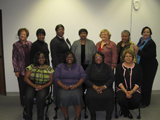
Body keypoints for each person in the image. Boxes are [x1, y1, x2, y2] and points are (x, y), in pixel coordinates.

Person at [53, 51, 86, 120]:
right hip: (62, 87)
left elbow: (83, 77)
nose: (69, 58)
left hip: (76, 87)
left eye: (71, 57)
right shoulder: (60, 66)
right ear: (64, 58)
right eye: (67, 57)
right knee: (62, 97)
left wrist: (76, 85)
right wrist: (63, 86)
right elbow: (55, 78)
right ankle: (66, 116)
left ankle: (77, 117)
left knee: (77, 96)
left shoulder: (78, 66)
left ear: (73, 58)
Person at [133, 26, 158, 108]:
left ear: (150, 33)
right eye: (144, 32)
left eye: (147, 32)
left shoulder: (151, 43)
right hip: (142, 65)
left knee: (147, 84)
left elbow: (151, 55)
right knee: (142, 83)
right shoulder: (141, 40)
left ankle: (146, 102)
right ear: (142, 33)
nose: (146, 33)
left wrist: (138, 51)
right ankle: (141, 99)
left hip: (150, 66)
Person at [85, 51, 115, 120]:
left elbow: (112, 78)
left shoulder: (107, 67)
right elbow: (85, 79)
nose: (98, 58)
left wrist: (104, 87)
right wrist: (94, 86)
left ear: (102, 58)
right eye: (96, 57)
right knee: (89, 97)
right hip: (93, 86)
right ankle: (93, 115)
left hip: (105, 86)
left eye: (100, 57)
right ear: (94, 58)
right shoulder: (90, 67)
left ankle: (108, 115)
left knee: (110, 97)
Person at [24, 52, 54, 120]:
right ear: (36, 59)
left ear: (45, 58)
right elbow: (25, 78)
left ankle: (40, 117)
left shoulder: (49, 68)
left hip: (44, 86)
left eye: (42, 57)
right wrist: (35, 86)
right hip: (31, 85)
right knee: (28, 97)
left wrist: (42, 87)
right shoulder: (31, 66)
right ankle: (28, 116)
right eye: (39, 58)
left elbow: (51, 81)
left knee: (41, 98)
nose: (41, 59)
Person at [115, 50, 143, 119]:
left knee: (136, 101)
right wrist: (125, 91)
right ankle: (126, 112)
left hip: (134, 89)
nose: (128, 58)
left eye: (130, 56)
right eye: (126, 56)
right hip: (122, 89)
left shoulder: (138, 67)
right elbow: (117, 80)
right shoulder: (119, 67)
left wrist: (132, 91)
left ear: (133, 57)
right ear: (123, 57)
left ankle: (124, 108)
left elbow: (140, 80)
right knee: (121, 99)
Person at [12, 28, 32, 106]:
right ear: (19, 35)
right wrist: (16, 70)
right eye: (21, 34)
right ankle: (23, 102)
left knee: (29, 86)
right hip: (20, 69)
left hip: (30, 69)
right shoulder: (16, 45)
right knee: (22, 86)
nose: (22, 35)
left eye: (24, 34)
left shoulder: (30, 43)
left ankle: (29, 100)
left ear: (26, 35)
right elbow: (14, 58)